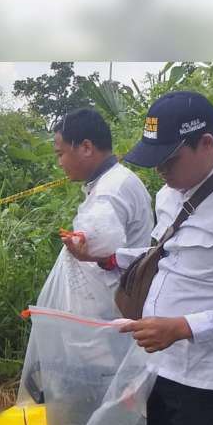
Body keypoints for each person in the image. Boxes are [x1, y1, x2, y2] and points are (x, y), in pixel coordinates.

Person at [117, 91, 213, 425]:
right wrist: (112, 258)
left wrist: (185, 326)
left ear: (206, 144)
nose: (160, 172)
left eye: (169, 160)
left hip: (209, 382)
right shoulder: (168, 196)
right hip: (158, 368)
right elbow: (168, 258)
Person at [53, 107, 154, 308]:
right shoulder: (120, 178)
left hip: (107, 309)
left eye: (60, 154)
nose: (59, 163)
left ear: (86, 147)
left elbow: (98, 256)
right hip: (122, 299)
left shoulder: (108, 193)